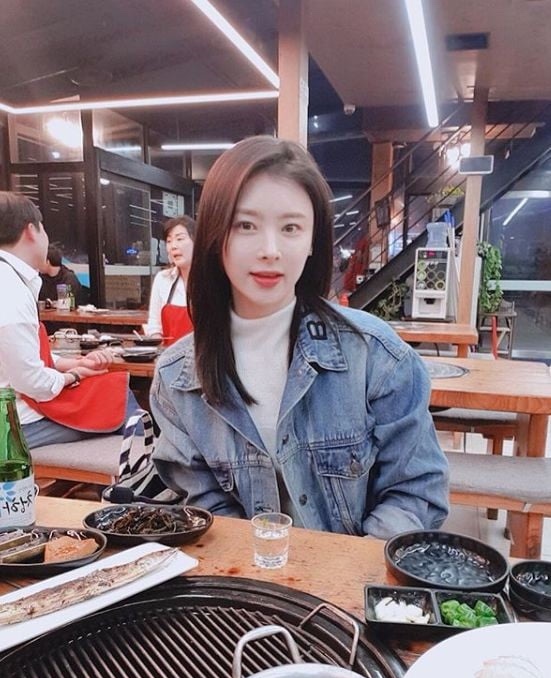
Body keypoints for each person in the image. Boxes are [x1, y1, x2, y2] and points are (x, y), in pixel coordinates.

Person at [150, 136, 449, 540]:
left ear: (312, 242)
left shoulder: (376, 356)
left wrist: (343, 568)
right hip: (240, 575)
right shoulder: (176, 379)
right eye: (246, 225)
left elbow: (415, 491)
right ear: (217, 236)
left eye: (291, 227)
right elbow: (208, 515)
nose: (270, 250)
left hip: (355, 574)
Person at [0, 191, 136, 449]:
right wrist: (73, 375)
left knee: (109, 389)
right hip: (13, 425)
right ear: (31, 231)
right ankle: (135, 470)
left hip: (18, 406)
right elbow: (33, 383)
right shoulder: (10, 290)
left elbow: (18, 357)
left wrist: (73, 363)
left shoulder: (10, 279)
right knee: (119, 398)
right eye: (43, 229)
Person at [143, 215, 195, 342]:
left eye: (180, 239)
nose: (173, 246)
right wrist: (157, 344)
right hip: (168, 353)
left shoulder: (212, 281)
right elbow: (154, 325)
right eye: (169, 241)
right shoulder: (162, 279)